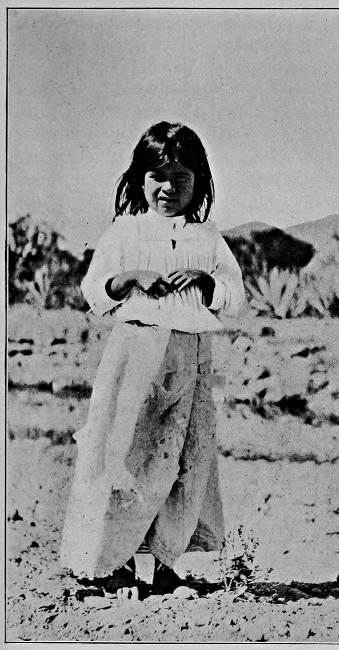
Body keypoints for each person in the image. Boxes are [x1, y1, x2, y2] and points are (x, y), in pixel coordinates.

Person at [60, 121, 245, 595]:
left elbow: (235, 298)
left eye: (181, 177)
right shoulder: (126, 231)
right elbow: (94, 290)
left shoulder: (207, 238)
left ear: (199, 182)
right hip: (136, 358)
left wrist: (206, 282)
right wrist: (130, 278)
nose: (168, 187)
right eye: (157, 176)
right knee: (125, 452)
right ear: (139, 179)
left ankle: (166, 564)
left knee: (182, 457)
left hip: (191, 357)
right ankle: (110, 564)